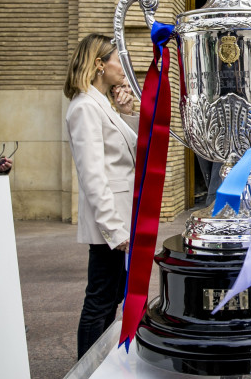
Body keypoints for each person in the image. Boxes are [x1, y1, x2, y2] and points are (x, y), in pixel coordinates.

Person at [64, 33, 139, 359]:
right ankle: (89, 367)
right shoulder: (84, 107)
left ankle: (101, 360)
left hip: (120, 215)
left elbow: (126, 151)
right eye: (117, 60)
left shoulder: (101, 104)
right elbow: (92, 175)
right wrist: (113, 228)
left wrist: (125, 112)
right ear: (99, 64)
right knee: (100, 299)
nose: (125, 67)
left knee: (111, 296)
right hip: (110, 222)